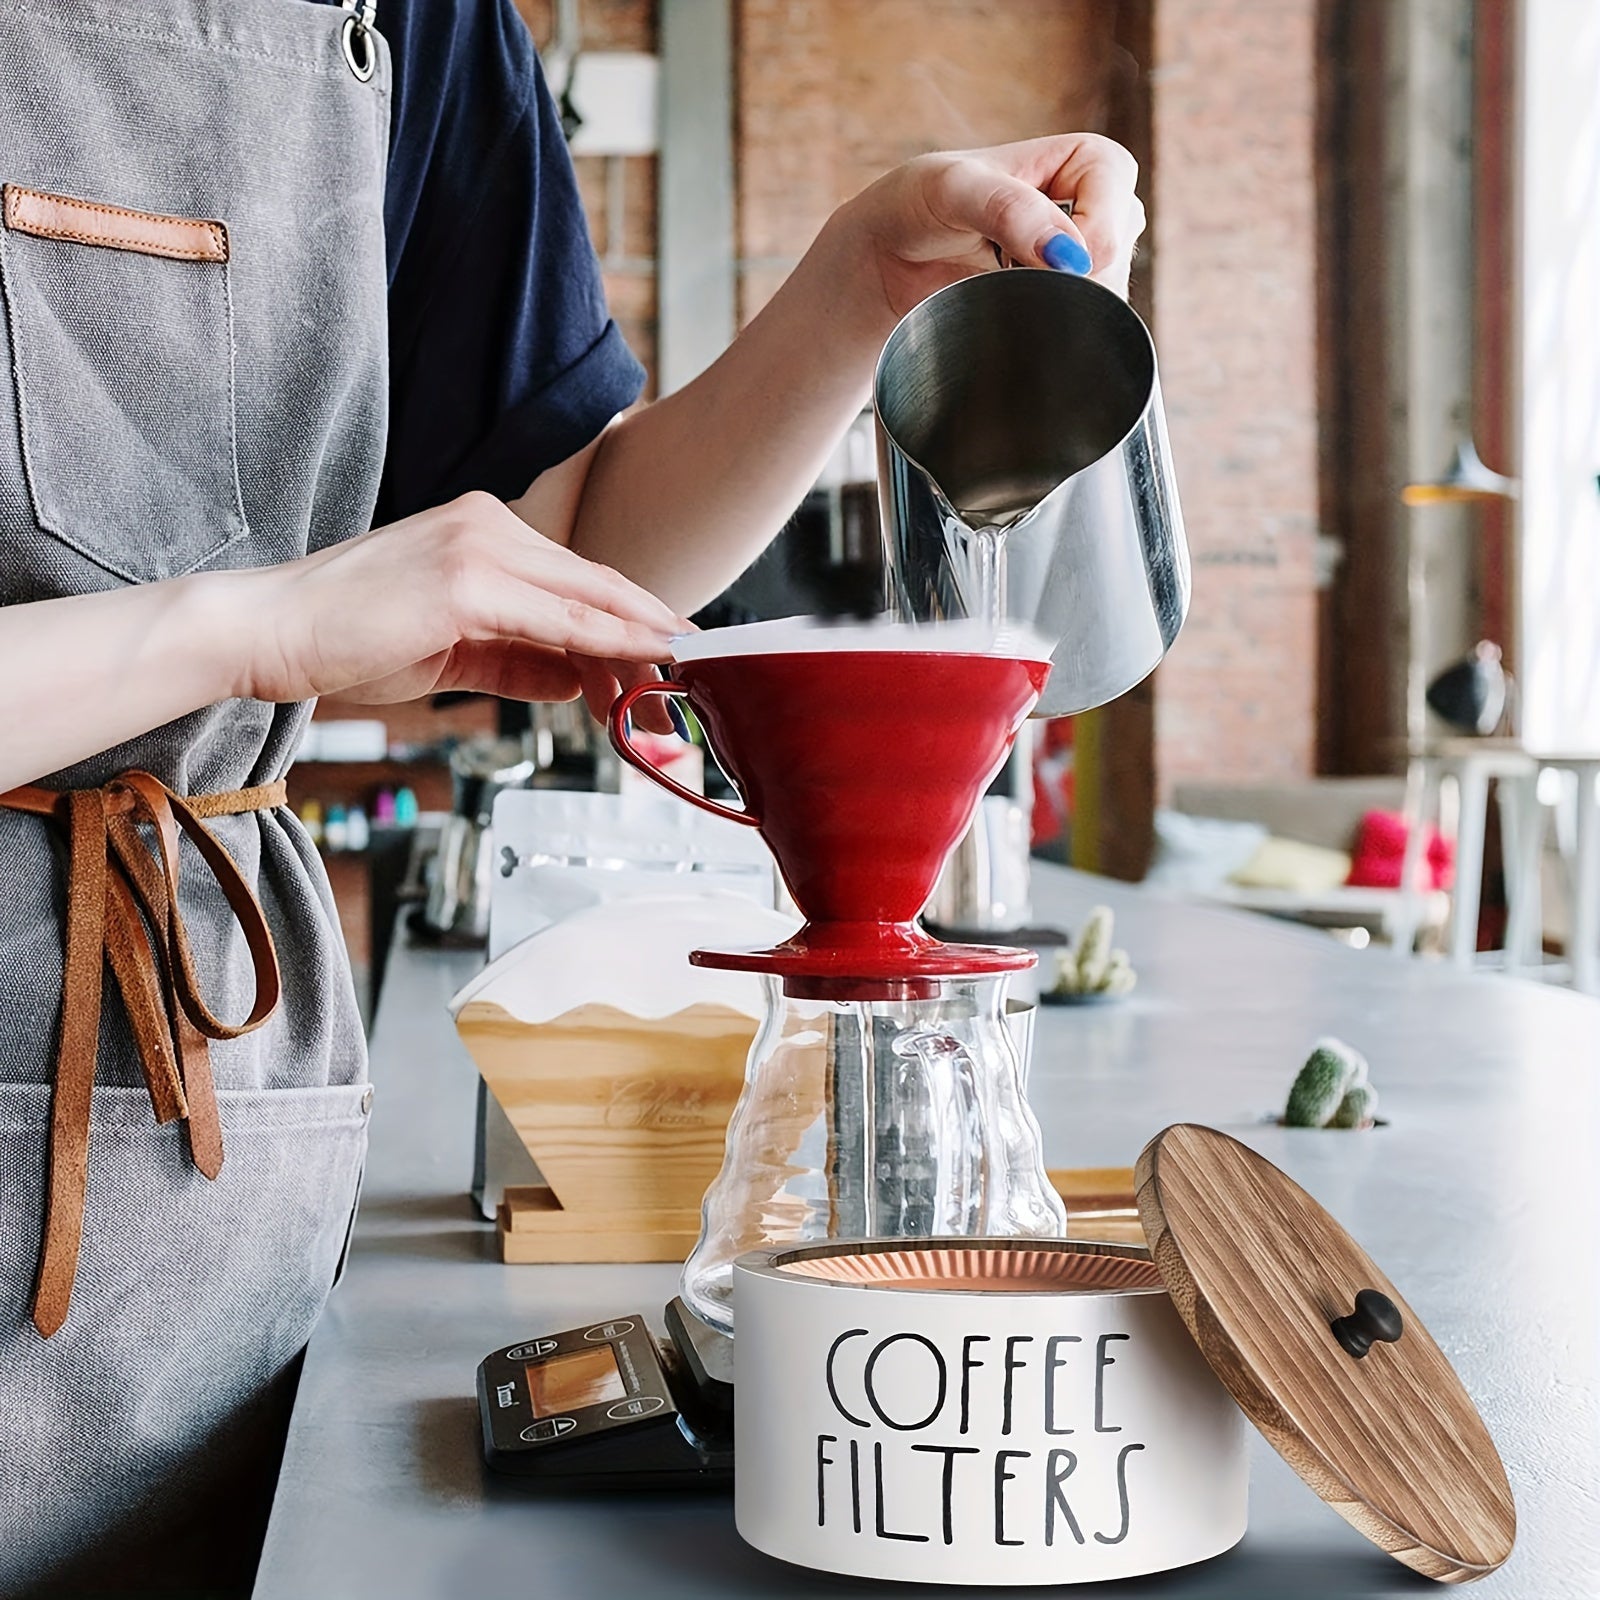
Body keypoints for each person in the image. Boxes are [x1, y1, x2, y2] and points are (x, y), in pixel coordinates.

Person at [0, 0, 1144, 1590]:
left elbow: (567, 551)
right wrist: (253, 624)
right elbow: (311, 618)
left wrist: (854, 295)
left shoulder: (408, 20)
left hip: (202, 1218)